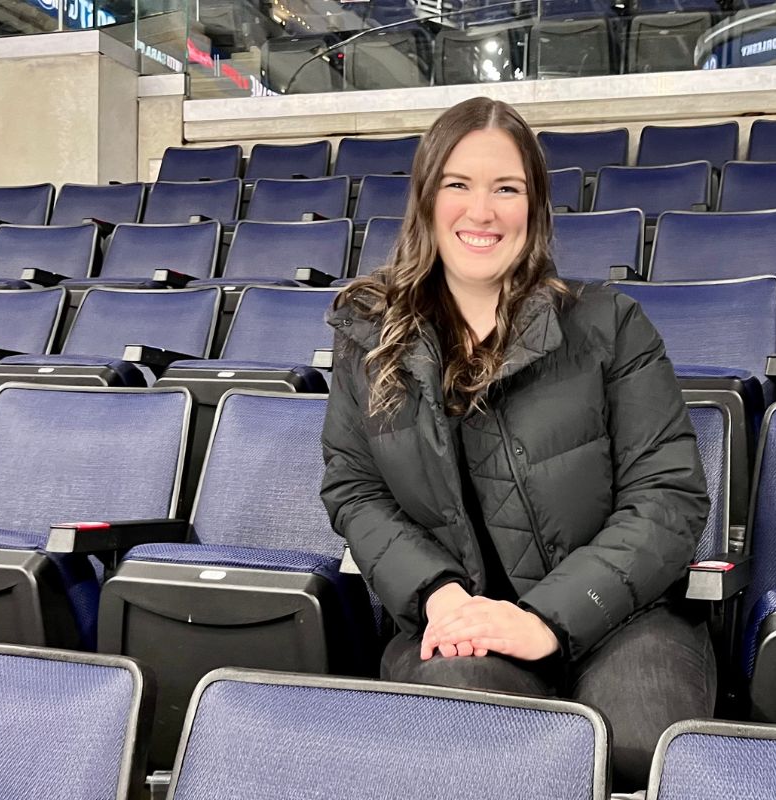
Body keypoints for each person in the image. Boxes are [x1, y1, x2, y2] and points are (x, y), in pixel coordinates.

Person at [320, 96, 715, 791]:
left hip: (622, 616)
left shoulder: (609, 325)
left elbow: (669, 498)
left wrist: (544, 619)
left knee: (637, 740)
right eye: (459, 185)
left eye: (507, 188)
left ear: (533, 208)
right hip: (457, 617)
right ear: (426, 197)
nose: (483, 211)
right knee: (480, 725)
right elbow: (355, 489)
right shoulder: (369, 338)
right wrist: (439, 597)